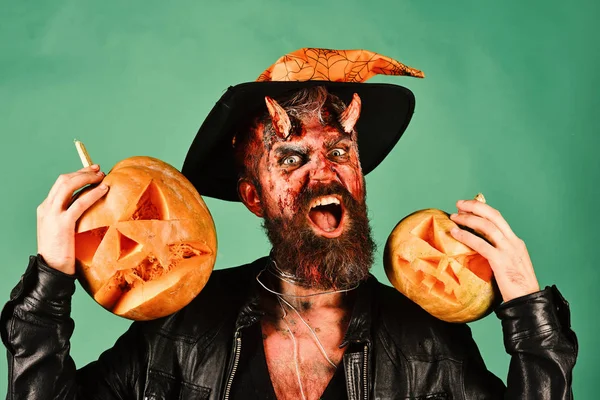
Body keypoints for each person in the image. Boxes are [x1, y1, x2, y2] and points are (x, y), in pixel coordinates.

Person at [1, 48, 577, 399]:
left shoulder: (430, 345)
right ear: (253, 197)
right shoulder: (182, 329)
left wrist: (529, 311)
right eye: (291, 159)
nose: (323, 176)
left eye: (341, 152)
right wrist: (49, 285)